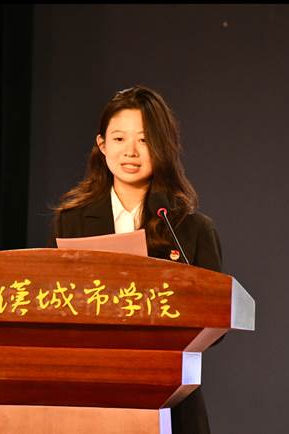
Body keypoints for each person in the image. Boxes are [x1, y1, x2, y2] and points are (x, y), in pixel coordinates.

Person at [51, 85, 222, 434]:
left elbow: (215, 323)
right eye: (119, 139)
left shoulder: (191, 228)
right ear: (102, 145)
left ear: (162, 147)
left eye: (144, 140)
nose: (130, 151)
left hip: (171, 397)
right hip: (92, 391)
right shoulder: (72, 220)